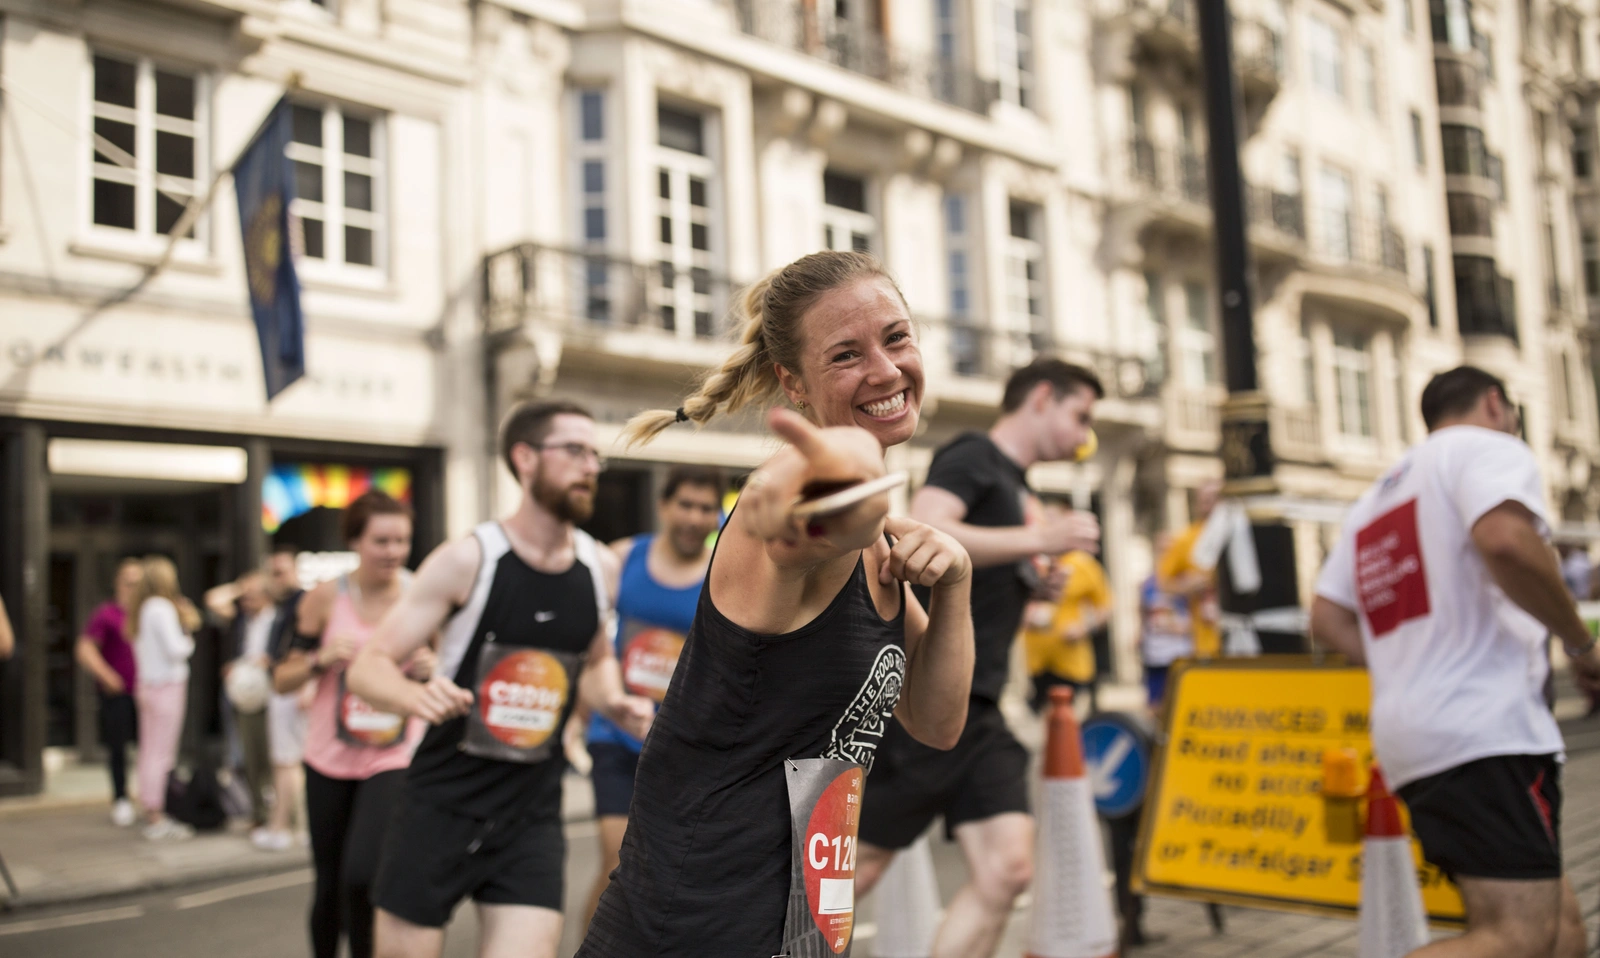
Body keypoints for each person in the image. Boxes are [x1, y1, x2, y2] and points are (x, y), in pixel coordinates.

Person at [578, 250, 974, 957]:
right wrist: (817, 498)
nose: (884, 370)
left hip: (796, 920)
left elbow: (937, 721)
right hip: (698, 919)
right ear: (793, 383)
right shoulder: (815, 491)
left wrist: (956, 584)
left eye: (896, 337)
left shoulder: (884, 539)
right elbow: (828, 483)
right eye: (846, 355)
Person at [1311, 366, 1600, 958]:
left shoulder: (1377, 495)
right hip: (1483, 730)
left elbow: (1327, 616)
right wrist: (1580, 643)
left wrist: (1408, 664)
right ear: (1495, 403)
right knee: (1517, 937)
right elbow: (1507, 540)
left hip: (1417, 734)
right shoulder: (1488, 448)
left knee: (1562, 927)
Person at [348, 400, 653, 958]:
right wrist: (415, 695)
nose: (591, 466)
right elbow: (366, 668)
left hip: (530, 817)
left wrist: (614, 701)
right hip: (439, 808)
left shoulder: (598, 570)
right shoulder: (470, 559)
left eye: (595, 454)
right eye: (575, 450)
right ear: (526, 458)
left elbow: (593, 659)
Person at [853, 358, 1102, 958]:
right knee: (852, 874)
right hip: (924, 703)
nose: (1085, 434)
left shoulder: (1022, 489)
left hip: (982, 707)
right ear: (1042, 398)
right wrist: (1041, 541)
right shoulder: (973, 454)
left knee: (1007, 870)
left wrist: (1030, 578)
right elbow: (929, 528)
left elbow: (977, 559)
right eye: (1080, 415)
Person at [273, 491, 428, 958]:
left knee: (362, 876)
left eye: (401, 540)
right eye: (381, 540)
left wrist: (431, 665)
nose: (393, 551)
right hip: (329, 757)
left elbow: (449, 666)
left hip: (393, 754)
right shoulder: (325, 598)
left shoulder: (422, 594)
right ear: (355, 542)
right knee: (330, 884)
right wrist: (320, 660)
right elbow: (281, 679)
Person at [579, 463, 725, 932]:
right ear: (664, 505)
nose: (694, 517)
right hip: (616, 737)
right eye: (685, 504)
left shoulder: (726, 572)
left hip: (685, 746)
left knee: (673, 880)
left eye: (706, 508)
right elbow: (590, 643)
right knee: (614, 863)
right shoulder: (624, 558)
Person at [131, 555, 198, 840]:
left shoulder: (143, 608)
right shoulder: (162, 608)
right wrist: (188, 633)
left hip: (147, 684)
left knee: (149, 750)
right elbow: (177, 649)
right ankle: (158, 814)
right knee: (163, 753)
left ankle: (150, 806)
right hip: (166, 686)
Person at [1022, 501, 1112, 713]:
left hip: (1070, 661)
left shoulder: (1082, 563)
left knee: (1068, 723)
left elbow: (1105, 606)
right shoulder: (1034, 561)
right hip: (1036, 660)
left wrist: (1083, 627)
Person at [207, 570, 278, 833]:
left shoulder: (279, 619)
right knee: (250, 755)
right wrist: (240, 587)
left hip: (271, 694)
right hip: (244, 693)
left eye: (252, 596)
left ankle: (278, 812)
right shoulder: (241, 620)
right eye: (244, 598)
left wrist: (271, 663)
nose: (246, 602)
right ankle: (258, 812)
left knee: (273, 756)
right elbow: (213, 599)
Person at [75, 559, 144, 827]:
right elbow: (85, 648)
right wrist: (106, 675)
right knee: (118, 748)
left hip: (146, 693)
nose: (132, 586)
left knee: (148, 749)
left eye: (138, 581)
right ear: (117, 582)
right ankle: (121, 798)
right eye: (128, 580)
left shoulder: (149, 613)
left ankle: (152, 798)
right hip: (118, 693)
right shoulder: (107, 613)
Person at [261, 545, 310, 850]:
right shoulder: (281, 605)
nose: (277, 578)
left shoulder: (302, 603)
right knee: (286, 761)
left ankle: (285, 826)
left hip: (293, 689)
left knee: (288, 760)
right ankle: (291, 825)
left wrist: (307, 685)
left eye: (281, 571)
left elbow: (308, 646)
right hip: (282, 686)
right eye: (273, 572)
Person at [1157, 479, 1222, 659]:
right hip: (1206, 639)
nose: (1212, 504)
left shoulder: (1240, 533)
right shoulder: (1185, 539)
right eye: (1206, 499)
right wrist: (1189, 585)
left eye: (1217, 498)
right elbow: (1163, 583)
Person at [1137, 544, 1192, 712]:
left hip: (1179, 650)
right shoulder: (1147, 584)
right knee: (1155, 702)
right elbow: (1141, 610)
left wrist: (1184, 629)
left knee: (1180, 698)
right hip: (1155, 651)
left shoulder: (1185, 581)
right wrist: (1139, 634)